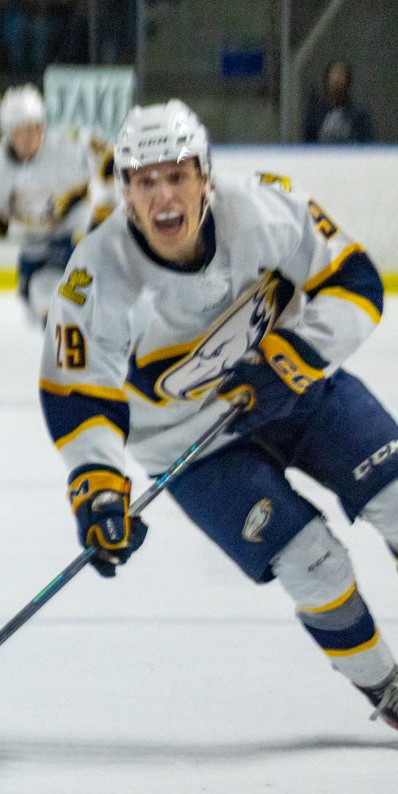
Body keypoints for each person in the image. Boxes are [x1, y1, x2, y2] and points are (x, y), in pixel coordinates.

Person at [40, 99, 397, 729]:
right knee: (310, 563)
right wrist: (97, 488)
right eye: (145, 180)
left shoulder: (264, 207)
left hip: (298, 390)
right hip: (194, 447)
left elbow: (358, 281)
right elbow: (77, 393)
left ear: (206, 175)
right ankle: (387, 689)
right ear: (125, 192)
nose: (164, 194)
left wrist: (291, 362)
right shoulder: (96, 278)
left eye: (177, 174)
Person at [0, 83, 115, 327]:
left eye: (34, 128)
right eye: (20, 131)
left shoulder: (72, 147)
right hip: (37, 249)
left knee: (85, 305)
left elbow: (117, 161)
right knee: (41, 300)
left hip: (80, 242)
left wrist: (105, 209)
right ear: (8, 133)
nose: (29, 137)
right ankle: (65, 346)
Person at [302, 60, 375, 145]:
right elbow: (307, 143)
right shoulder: (315, 112)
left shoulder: (359, 114)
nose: (337, 80)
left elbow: (367, 143)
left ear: (348, 81)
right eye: (334, 75)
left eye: (341, 75)